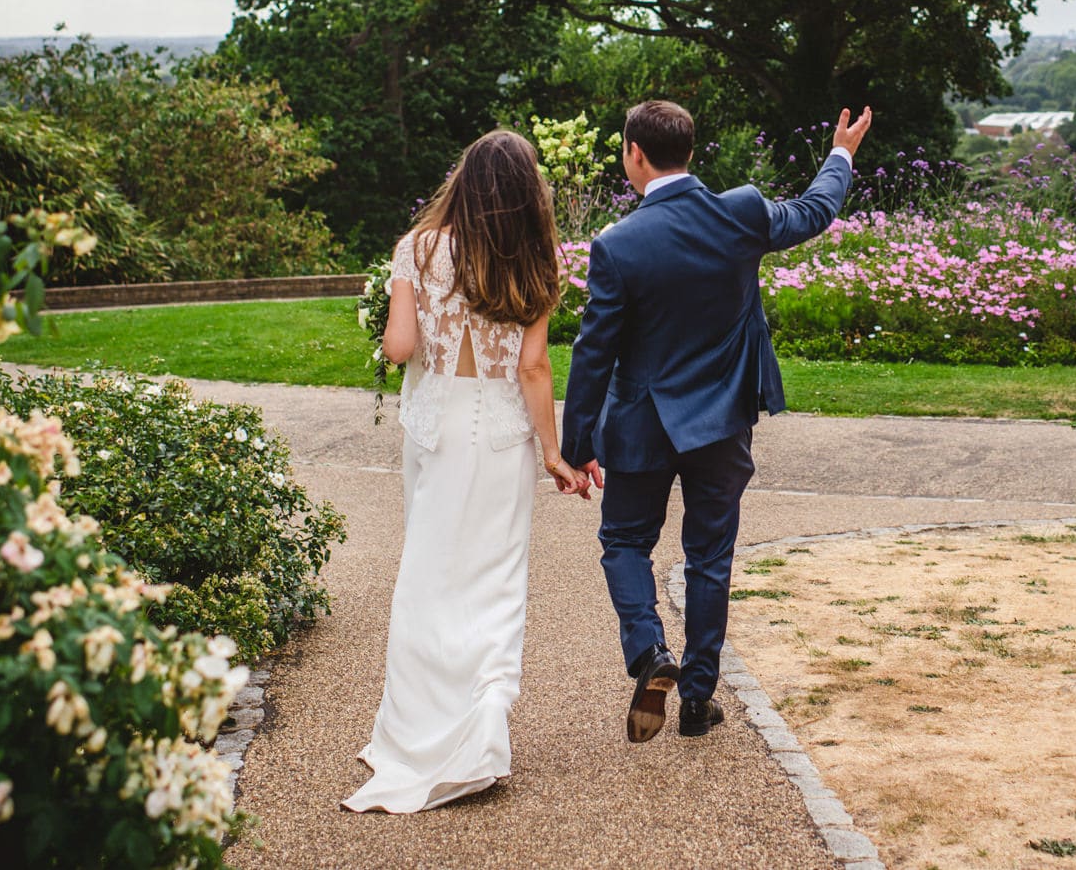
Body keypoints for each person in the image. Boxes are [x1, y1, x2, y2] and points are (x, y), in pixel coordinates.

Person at [561, 99, 872, 742]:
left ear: (634, 156)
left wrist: (577, 442)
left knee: (624, 543)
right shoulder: (742, 212)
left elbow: (594, 354)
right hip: (723, 424)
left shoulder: (617, 246)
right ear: (691, 153)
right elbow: (816, 211)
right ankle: (698, 702)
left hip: (642, 423)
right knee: (709, 560)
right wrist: (840, 154)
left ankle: (650, 652)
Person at [344, 130, 592, 813]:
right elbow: (533, 367)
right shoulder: (539, 260)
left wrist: (397, 311)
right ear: (525, 191)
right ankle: (483, 726)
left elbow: (399, 346)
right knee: (494, 577)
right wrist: (553, 451)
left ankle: (417, 732)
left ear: (463, 179)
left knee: (428, 572)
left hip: (435, 426)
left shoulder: (417, 248)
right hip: (503, 429)